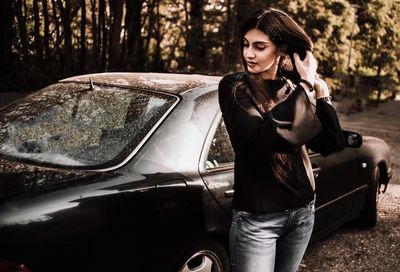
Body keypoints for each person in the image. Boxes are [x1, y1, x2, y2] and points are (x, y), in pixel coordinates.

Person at [218, 7, 346, 272]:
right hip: (257, 223)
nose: (248, 54)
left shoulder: (292, 90)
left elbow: (329, 143)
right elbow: (268, 138)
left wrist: (321, 94)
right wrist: (305, 87)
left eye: (259, 46)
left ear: (282, 49)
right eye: (246, 45)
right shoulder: (234, 88)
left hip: (302, 215)